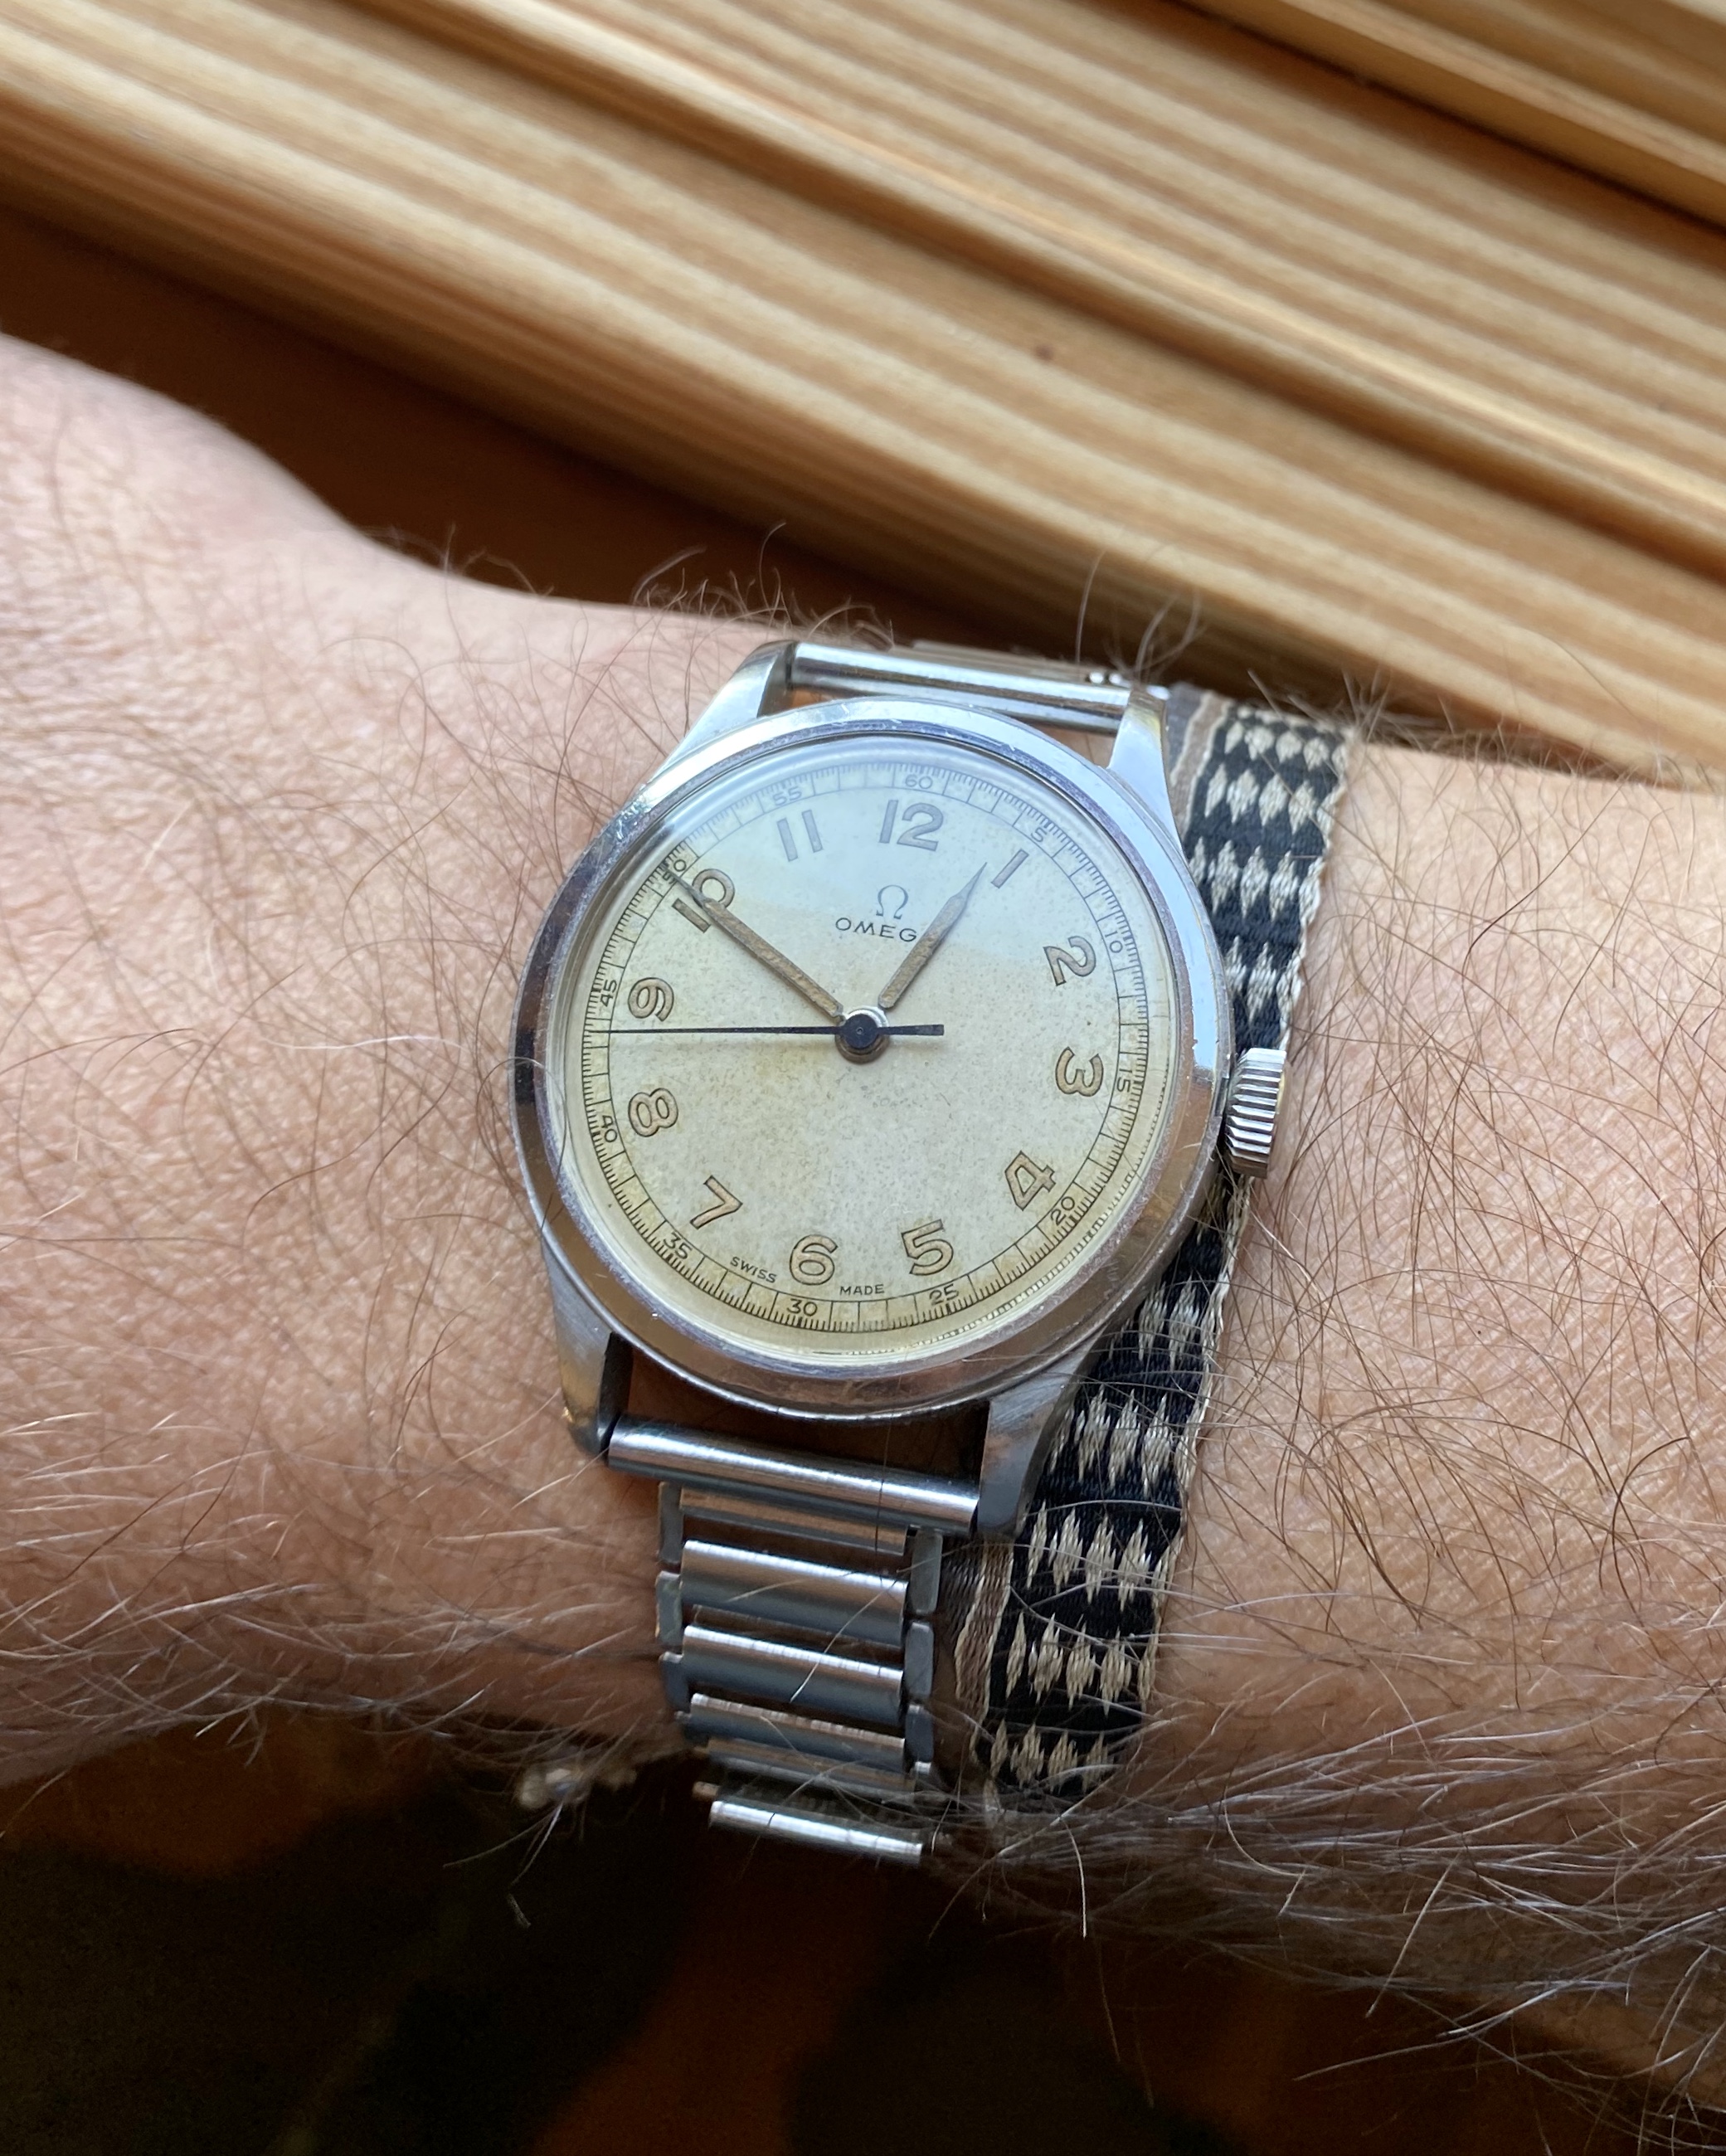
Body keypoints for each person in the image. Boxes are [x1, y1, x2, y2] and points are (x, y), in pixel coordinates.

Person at [6, 331, 1724, 2103]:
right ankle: (915, 2015)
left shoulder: (1119, 1209)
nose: (861, 1028)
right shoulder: (638, 1137)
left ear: (1238, 1113)